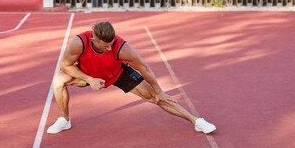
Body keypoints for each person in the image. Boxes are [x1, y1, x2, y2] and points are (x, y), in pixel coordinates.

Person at [47, 22, 216, 134]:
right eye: (105, 45)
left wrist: (159, 90)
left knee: (155, 97)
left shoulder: (121, 48)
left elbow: (144, 67)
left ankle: (196, 121)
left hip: (117, 74)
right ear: (93, 40)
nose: (109, 48)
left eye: (111, 43)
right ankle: (64, 119)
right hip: (89, 75)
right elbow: (64, 65)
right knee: (59, 79)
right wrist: (90, 79)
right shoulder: (80, 42)